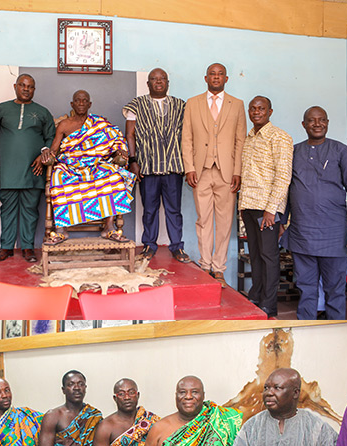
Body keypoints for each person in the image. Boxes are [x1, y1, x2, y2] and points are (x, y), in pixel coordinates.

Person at [285, 106, 347, 320]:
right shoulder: (293, 152)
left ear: (327, 122)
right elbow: (284, 189)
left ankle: (336, 330)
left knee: (335, 290)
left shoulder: (342, 151)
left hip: (334, 234)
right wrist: (280, 221)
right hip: (302, 233)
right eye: (312, 120)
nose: (317, 124)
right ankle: (306, 329)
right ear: (303, 125)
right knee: (306, 288)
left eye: (322, 120)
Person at [181, 63, 247, 280]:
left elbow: (240, 140)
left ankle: (219, 268)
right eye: (212, 74)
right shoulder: (192, 103)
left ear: (226, 79)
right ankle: (205, 264)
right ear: (205, 78)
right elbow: (187, 138)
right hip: (200, 171)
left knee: (225, 221)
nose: (216, 77)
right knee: (203, 219)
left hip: (227, 173)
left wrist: (237, 171)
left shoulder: (237, 104)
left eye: (220, 75)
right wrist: (189, 167)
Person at [42, 90, 135, 243]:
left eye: (84, 100)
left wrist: (119, 150)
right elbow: (54, 150)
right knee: (58, 175)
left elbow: (115, 140)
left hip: (95, 164)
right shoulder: (65, 125)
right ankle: (61, 230)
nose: (81, 103)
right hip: (70, 165)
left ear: (89, 104)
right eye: (77, 100)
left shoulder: (100, 123)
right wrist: (47, 154)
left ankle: (109, 228)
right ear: (72, 104)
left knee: (115, 175)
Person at [123, 68, 189, 263]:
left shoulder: (181, 106)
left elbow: (188, 135)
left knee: (173, 210)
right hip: (147, 167)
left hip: (173, 166)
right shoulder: (136, 105)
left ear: (168, 83)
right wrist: (133, 161)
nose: (158, 82)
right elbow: (130, 135)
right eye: (154, 79)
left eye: (162, 79)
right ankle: (149, 245)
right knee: (149, 209)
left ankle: (177, 247)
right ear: (148, 83)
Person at [239, 96, 293, 319]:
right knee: (256, 254)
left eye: (261, 109)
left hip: (266, 209)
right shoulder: (249, 137)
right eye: (253, 109)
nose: (256, 112)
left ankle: (269, 305)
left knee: (269, 256)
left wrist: (272, 210)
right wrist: (242, 207)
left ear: (270, 111)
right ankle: (256, 295)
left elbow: (283, 176)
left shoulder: (280, 137)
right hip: (248, 206)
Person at [0, 73, 55, 263]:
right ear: (15, 86)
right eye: (23, 85)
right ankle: (6, 247)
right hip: (8, 169)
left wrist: (43, 154)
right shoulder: (1, 109)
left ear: (34, 89)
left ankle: (28, 247)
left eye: (30, 86)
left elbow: (50, 138)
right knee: (7, 210)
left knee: (30, 209)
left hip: (33, 170)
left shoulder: (43, 112)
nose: (26, 89)